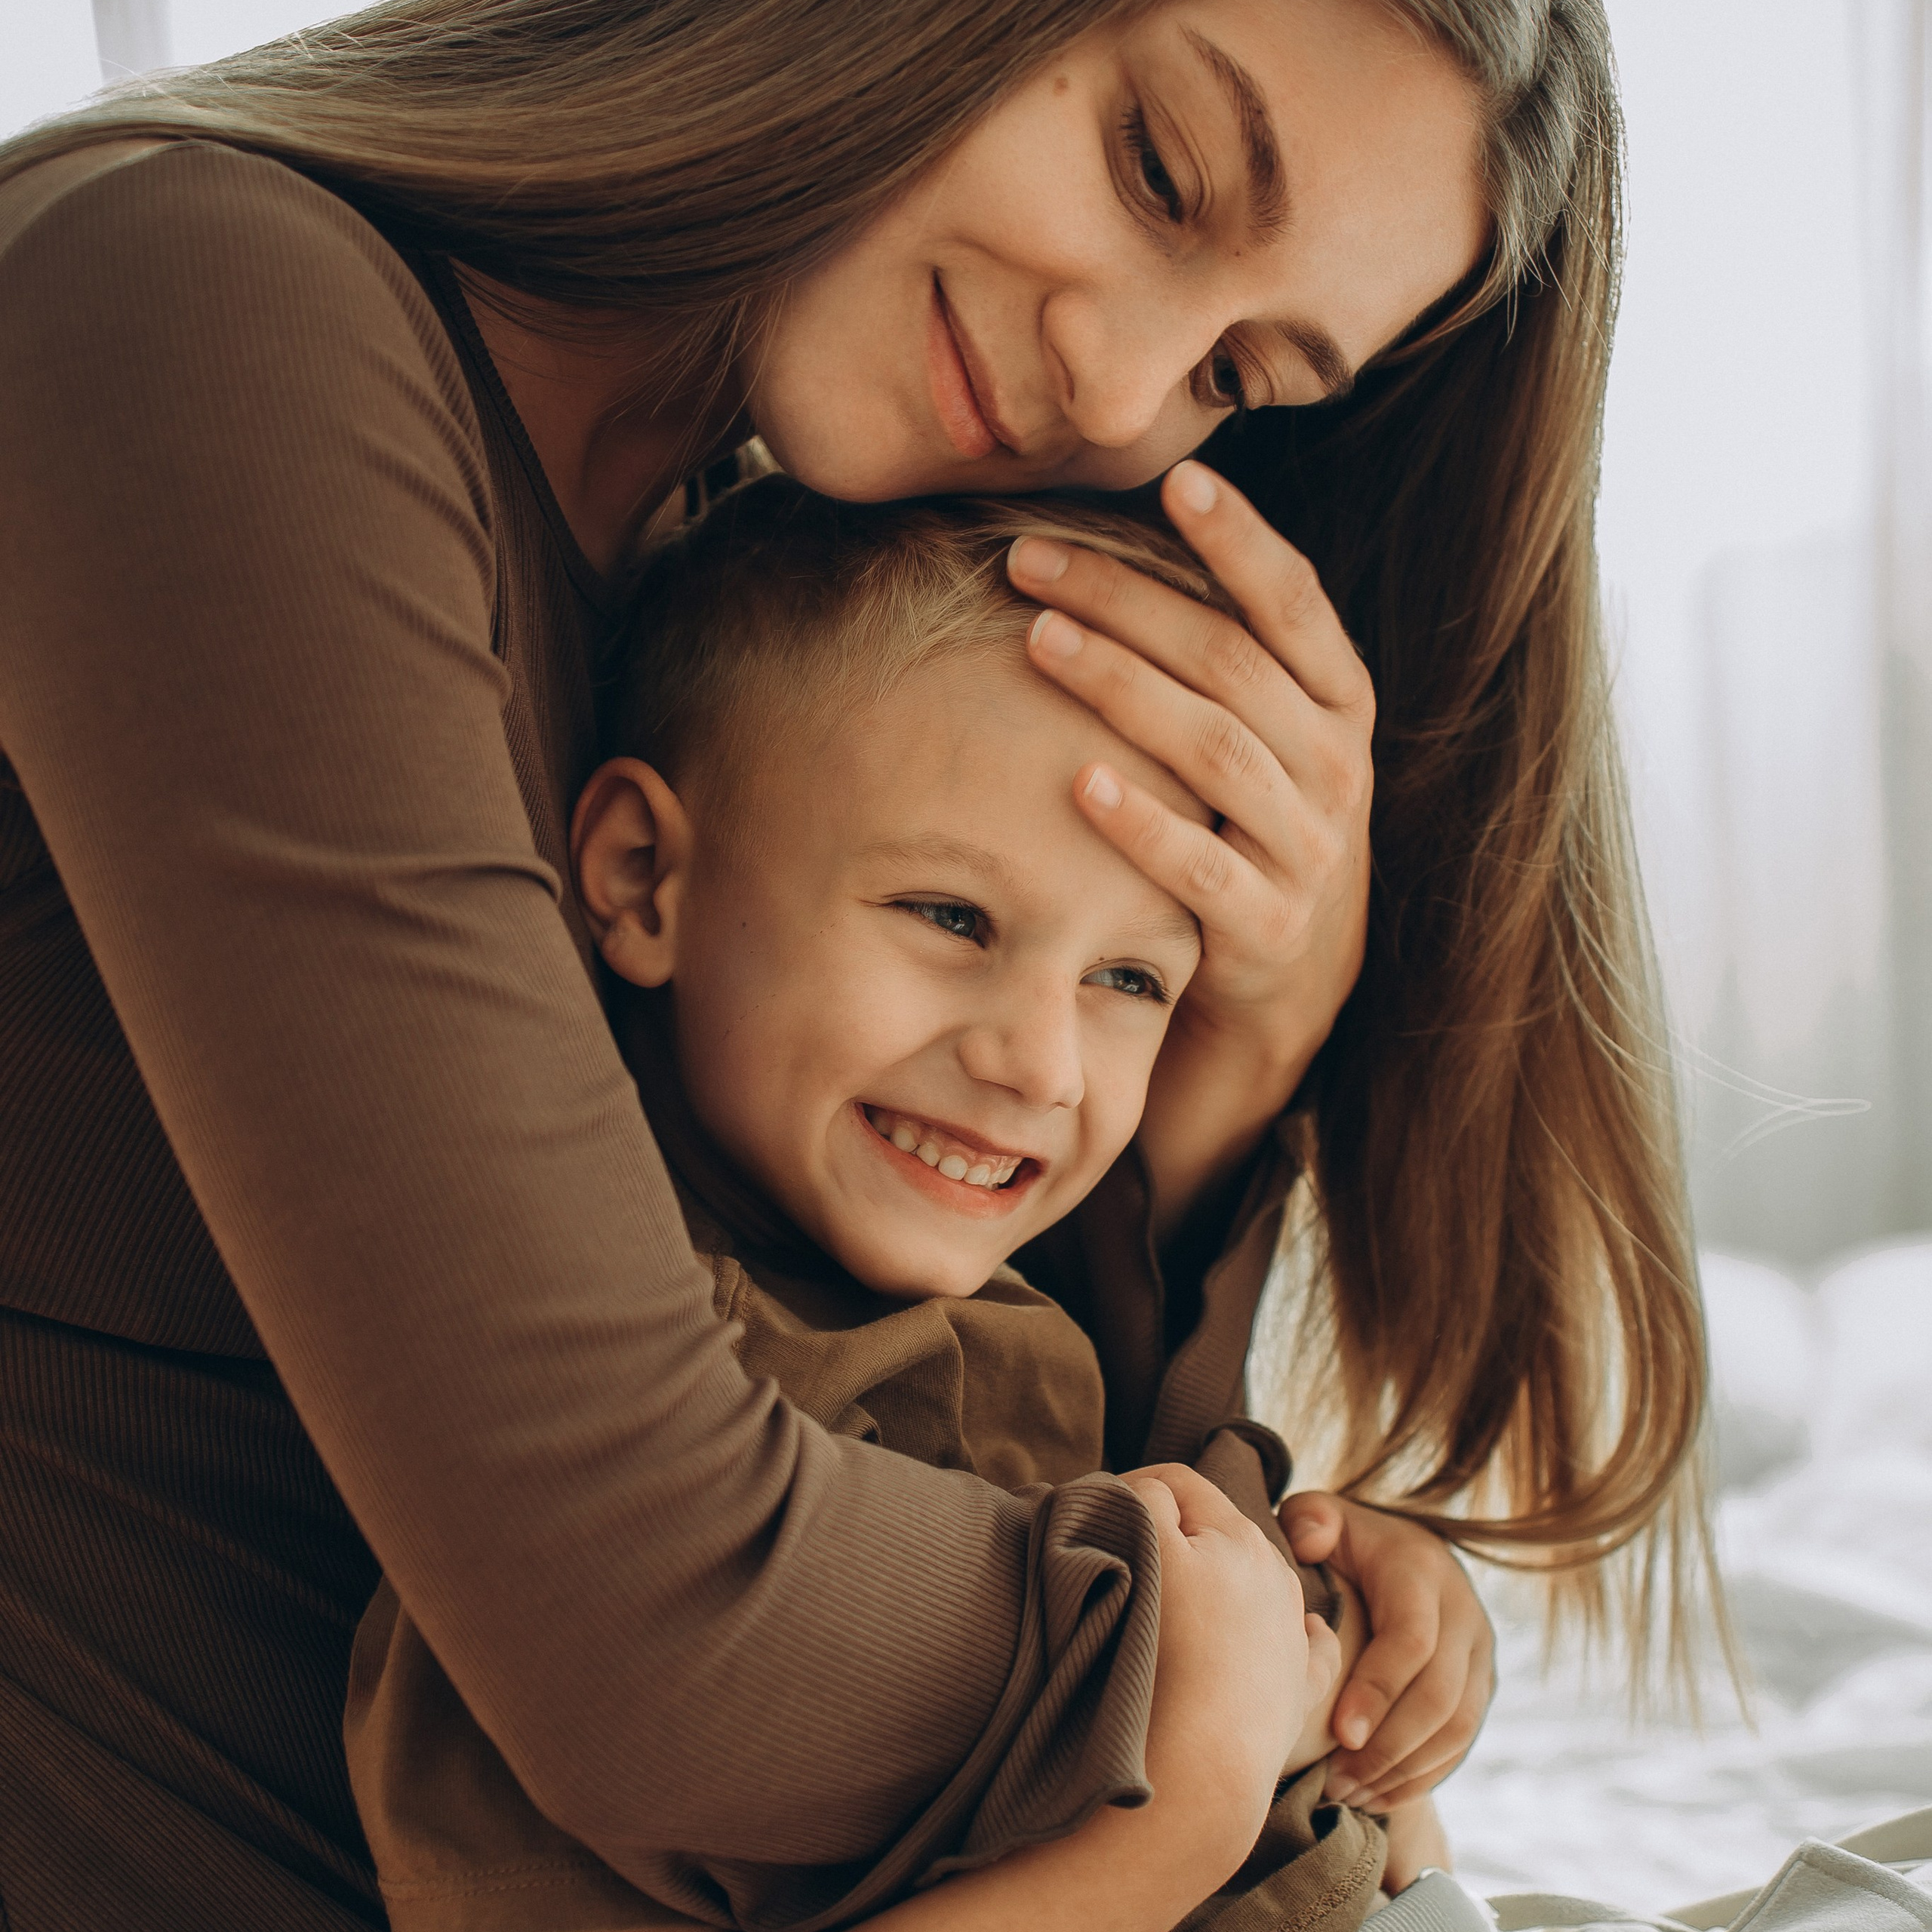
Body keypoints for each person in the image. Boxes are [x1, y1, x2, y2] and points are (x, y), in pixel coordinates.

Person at [0, 1, 1706, 1926]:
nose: (1118, 383)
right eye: (1155, 168)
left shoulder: (742, 580)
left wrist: (1235, 1059)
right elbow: (666, 1641)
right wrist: (1232, 1647)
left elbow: (940, 1441)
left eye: (1240, 370)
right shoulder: (201, 304)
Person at [346, 480, 1414, 1932]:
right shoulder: (618, 1457)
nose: (1038, 1062)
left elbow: (1174, 1600)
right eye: (952, 918)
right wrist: (1184, 1814)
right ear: (644, 878)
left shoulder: (974, 1323)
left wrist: (1341, 1631)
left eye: (1129, 980)